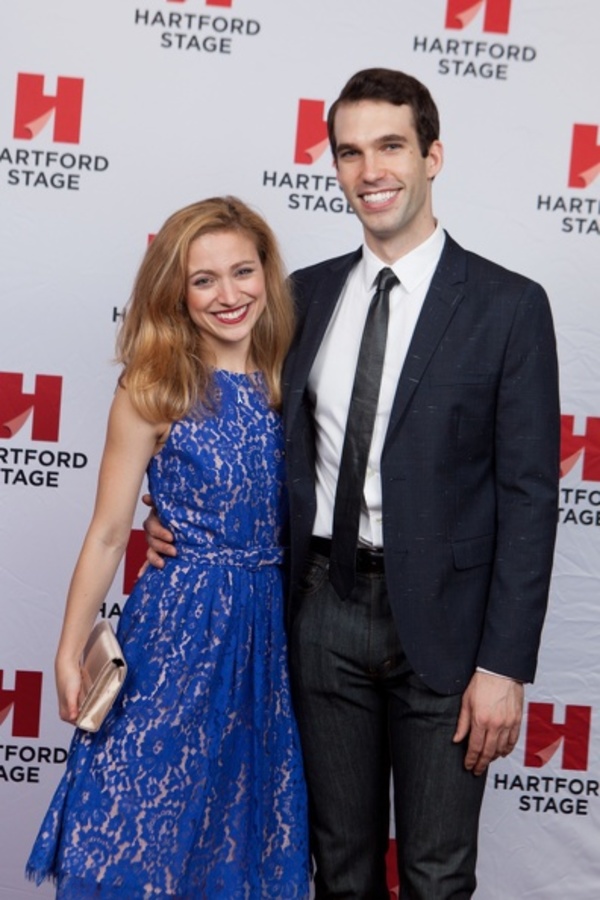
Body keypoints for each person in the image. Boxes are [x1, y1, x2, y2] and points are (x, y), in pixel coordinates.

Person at [145, 70, 561, 899]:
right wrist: (182, 527)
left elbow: (528, 498)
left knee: (438, 875)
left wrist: (505, 667)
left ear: (432, 155)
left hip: (446, 634)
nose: (370, 169)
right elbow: (244, 436)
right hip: (321, 613)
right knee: (338, 868)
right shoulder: (301, 297)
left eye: (391, 146)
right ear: (333, 166)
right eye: (350, 152)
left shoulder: (509, 307)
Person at [26, 197, 310, 899]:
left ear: (268, 275)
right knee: (139, 821)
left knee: (243, 834)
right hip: (177, 630)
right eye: (204, 279)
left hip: (275, 636)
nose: (229, 294)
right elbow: (105, 532)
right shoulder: (155, 386)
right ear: (176, 291)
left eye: (243, 271)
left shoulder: (298, 379)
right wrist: (68, 652)